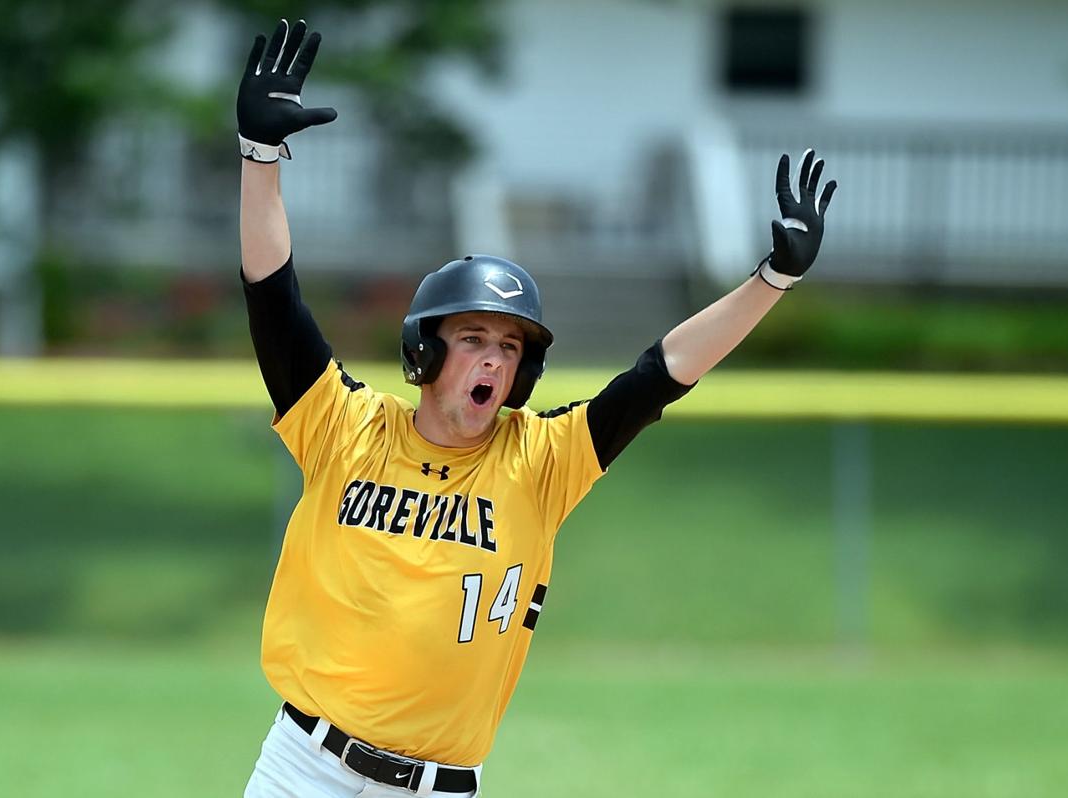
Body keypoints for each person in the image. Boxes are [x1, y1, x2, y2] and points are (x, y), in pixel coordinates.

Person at [237, 19, 837, 798]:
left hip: (438, 785)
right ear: (423, 353)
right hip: (301, 770)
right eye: (474, 337)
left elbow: (658, 376)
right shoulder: (343, 426)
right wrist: (259, 161)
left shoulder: (542, 458)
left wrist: (771, 281)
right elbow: (272, 298)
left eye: (511, 348)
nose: (494, 358)